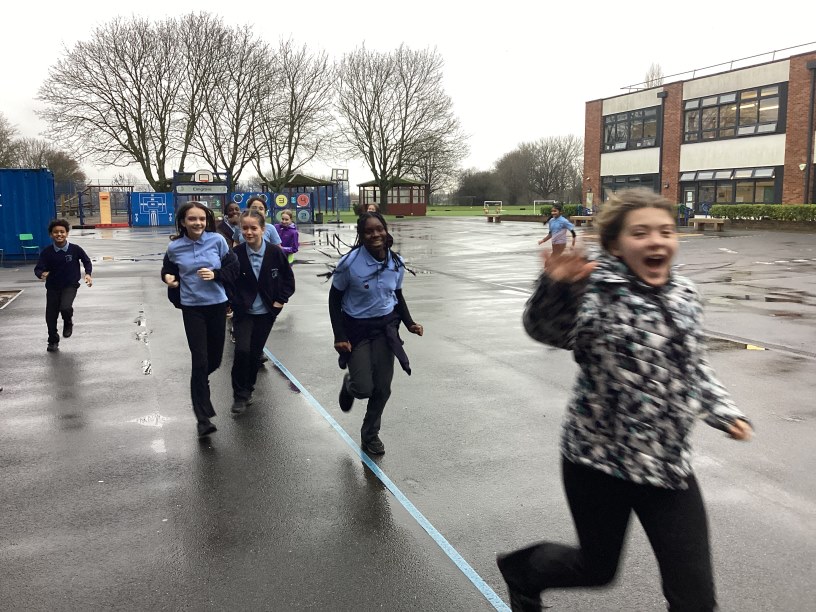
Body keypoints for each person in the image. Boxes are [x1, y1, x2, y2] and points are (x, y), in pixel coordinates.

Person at [496, 188, 753, 612]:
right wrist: (555, 289)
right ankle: (524, 572)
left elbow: (694, 367)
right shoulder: (593, 289)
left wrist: (723, 411)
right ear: (616, 244)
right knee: (597, 569)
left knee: (696, 600)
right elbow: (548, 331)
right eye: (641, 232)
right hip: (597, 463)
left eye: (666, 231)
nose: (656, 241)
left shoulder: (686, 295)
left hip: (667, 467)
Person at [328, 212, 423, 455]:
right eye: (369, 231)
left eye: (379, 229)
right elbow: (334, 298)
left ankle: (370, 434)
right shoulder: (349, 264)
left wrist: (410, 323)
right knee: (364, 387)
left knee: (383, 387)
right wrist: (339, 335)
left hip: (385, 328)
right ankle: (349, 386)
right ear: (361, 235)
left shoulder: (396, 262)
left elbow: (397, 295)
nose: (375, 234)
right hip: (357, 329)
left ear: (386, 229)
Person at [161, 201, 238, 437]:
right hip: (192, 308)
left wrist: (215, 274)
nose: (198, 223)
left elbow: (233, 269)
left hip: (216, 306)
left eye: (202, 219)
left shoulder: (218, 242)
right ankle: (203, 417)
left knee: (213, 361)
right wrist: (169, 279)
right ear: (183, 222)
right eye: (192, 219)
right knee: (200, 360)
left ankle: (199, 386)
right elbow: (167, 270)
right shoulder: (175, 248)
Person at [226, 210, 296, 414]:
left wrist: (280, 301)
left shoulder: (275, 253)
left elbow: (287, 280)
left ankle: (248, 389)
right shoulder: (236, 255)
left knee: (255, 354)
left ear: (263, 230)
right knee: (242, 351)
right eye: (244, 228)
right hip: (244, 312)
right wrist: (231, 302)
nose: (249, 232)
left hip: (266, 312)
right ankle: (239, 395)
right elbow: (228, 281)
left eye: (253, 228)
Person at [34, 219, 93, 352]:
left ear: (67, 233)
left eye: (62, 232)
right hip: (53, 287)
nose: (59, 234)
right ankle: (53, 341)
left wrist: (88, 274)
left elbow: (86, 261)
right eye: (56, 232)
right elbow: (38, 268)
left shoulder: (75, 249)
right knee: (51, 315)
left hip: (70, 285)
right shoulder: (47, 252)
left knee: (65, 307)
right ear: (51, 234)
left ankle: (68, 322)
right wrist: (42, 274)